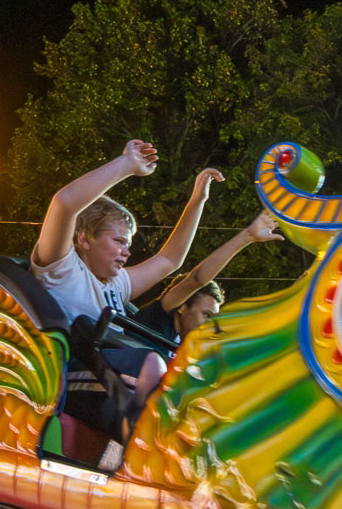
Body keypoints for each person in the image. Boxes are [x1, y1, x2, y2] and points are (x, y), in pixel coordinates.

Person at [30, 138, 222, 432]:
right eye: (118, 241)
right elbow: (64, 205)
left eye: (128, 244)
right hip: (68, 377)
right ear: (84, 238)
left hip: (113, 375)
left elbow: (171, 260)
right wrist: (126, 165)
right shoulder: (61, 268)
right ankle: (140, 442)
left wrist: (198, 200)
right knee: (151, 364)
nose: (126, 251)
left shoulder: (117, 284)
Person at [128, 211, 283, 351]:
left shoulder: (189, 349)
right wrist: (248, 236)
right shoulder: (160, 316)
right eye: (206, 315)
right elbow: (197, 279)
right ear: (182, 307)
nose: (209, 325)